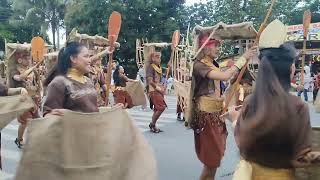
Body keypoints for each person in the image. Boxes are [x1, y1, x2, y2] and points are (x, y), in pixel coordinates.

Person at [229, 20, 320, 179]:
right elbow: (301, 158)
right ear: (289, 69)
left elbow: (243, 145)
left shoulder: (251, 102)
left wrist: (236, 121)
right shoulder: (298, 106)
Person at [187, 33, 256, 180]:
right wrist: (243, 58)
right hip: (205, 116)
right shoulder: (199, 65)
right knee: (211, 162)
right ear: (205, 48)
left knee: (214, 161)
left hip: (215, 114)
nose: (219, 49)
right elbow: (225, 77)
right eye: (216, 45)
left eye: (219, 45)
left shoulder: (214, 64)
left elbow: (225, 80)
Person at [43, 42, 99, 116]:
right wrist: (51, 115)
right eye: (86, 56)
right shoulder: (59, 83)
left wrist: (113, 111)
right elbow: (48, 114)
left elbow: (93, 110)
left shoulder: (88, 81)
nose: (89, 60)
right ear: (73, 58)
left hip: (93, 126)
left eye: (89, 57)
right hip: (72, 127)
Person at [11, 51, 41, 149]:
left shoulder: (33, 70)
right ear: (20, 60)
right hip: (22, 100)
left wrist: (39, 95)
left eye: (29, 58)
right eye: (26, 58)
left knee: (37, 120)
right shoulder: (14, 70)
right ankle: (19, 139)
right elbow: (19, 78)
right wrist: (32, 68)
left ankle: (36, 141)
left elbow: (37, 82)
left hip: (34, 98)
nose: (29, 60)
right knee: (25, 122)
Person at [146, 52, 167, 133]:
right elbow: (150, 80)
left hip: (158, 90)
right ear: (152, 58)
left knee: (157, 109)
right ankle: (152, 124)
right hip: (154, 91)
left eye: (159, 57)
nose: (159, 59)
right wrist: (158, 88)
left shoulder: (159, 67)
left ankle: (153, 125)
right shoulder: (151, 67)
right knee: (161, 107)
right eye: (157, 57)